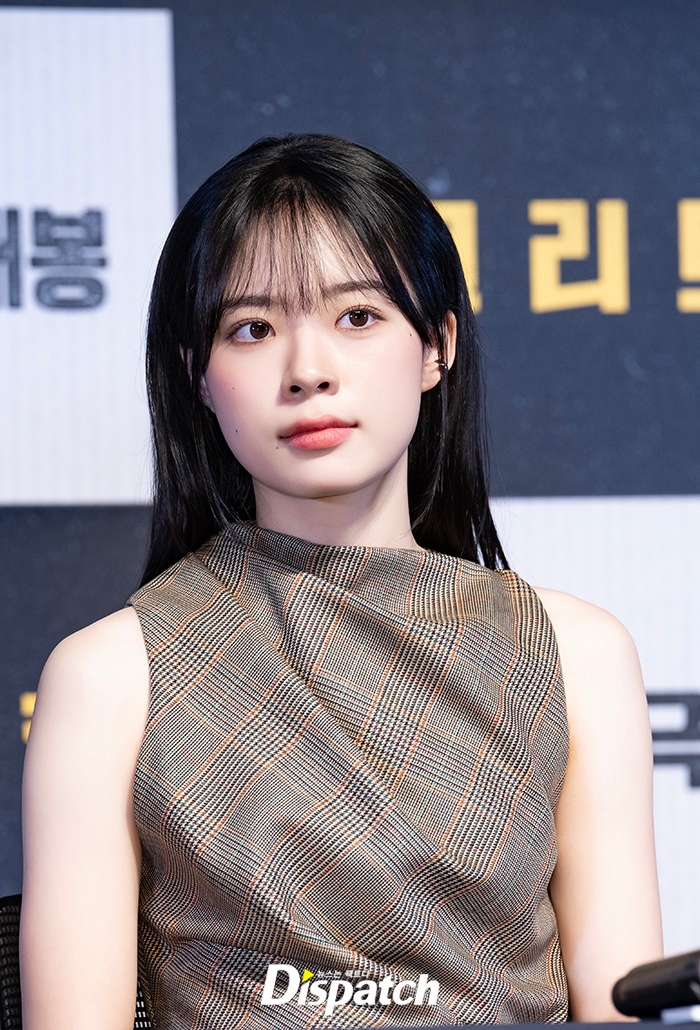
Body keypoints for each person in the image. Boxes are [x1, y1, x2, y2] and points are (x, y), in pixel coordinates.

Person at [20, 134, 663, 1029]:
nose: (308, 370)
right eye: (252, 329)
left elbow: (623, 1006)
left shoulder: (573, 654)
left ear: (437, 345)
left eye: (357, 317)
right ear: (197, 376)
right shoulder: (111, 676)